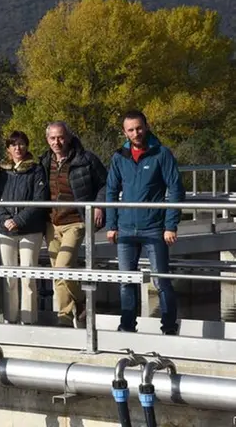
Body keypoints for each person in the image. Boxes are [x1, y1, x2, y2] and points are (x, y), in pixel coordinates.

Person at [106, 110, 185, 335]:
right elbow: (111, 191)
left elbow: (176, 189)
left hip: (154, 228)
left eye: (139, 128)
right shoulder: (119, 156)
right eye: (130, 129)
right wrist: (112, 225)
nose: (136, 133)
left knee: (161, 281)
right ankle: (127, 327)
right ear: (124, 132)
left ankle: (169, 328)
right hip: (125, 230)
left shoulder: (161, 154)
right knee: (125, 282)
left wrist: (171, 225)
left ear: (146, 126)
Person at [39, 121, 107, 328]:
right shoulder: (44, 161)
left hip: (75, 221)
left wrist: (99, 206)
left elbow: (105, 184)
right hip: (52, 222)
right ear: (47, 140)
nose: (57, 142)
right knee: (57, 273)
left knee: (63, 267)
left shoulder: (86, 159)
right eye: (52, 138)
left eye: (60, 137)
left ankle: (81, 301)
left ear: (68, 137)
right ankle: (65, 317)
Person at [0, 131, 49, 325]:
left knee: (28, 277)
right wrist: (4, 219)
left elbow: (39, 200)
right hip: (5, 230)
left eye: (22, 144)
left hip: (30, 230)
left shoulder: (36, 170)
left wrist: (19, 220)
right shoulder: (1, 172)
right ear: (8, 149)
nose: (18, 148)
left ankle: (28, 319)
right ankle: (10, 318)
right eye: (14, 145)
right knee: (9, 277)